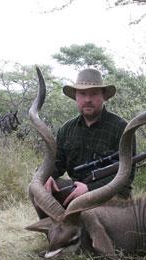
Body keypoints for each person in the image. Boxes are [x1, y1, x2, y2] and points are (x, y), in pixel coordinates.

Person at [44, 68, 135, 209]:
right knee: (38, 188)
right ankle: (53, 229)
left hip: (110, 192)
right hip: (76, 189)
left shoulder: (122, 128)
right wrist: (47, 176)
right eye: (82, 93)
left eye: (93, 94)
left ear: (103, 96)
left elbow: (126, 176)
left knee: (93, 211)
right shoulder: (66, 129)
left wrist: (90, 189)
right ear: (75, 96)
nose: (87, 99)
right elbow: (56, 163)